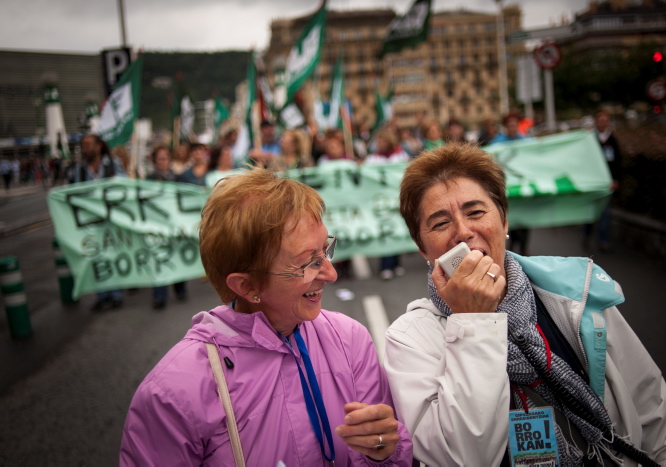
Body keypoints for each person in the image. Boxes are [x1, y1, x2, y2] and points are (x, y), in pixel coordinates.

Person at [383, 143, 666, 466]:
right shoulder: (409, 339)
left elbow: (655, 421)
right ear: (423, 249)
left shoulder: (578, 293)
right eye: (440, 223)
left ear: (504, 222)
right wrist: (473, 320)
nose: (463, 232)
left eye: (476, 212)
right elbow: (463, 456)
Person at [120, 168, 412, 466]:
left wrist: (385, 451)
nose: (331, 273)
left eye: (326, 250)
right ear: (247, 286)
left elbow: (384, 453)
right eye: (309, 263)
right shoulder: (172, 393)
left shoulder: (349, 340)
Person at [72, 134, 126, 311]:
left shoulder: (113, 164)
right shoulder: (80, 169)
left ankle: (116, 295)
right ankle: (102, 296)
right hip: (90, 223)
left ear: (99, 146)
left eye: (88, 144)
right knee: (95, 258)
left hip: (111, 221)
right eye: (83, 145)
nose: (85, 148)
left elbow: (125, 186)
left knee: (112, 255)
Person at [365, 127, 411, 280]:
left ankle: (395, 263)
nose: (379, 143)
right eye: (378, 140)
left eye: (382, 140)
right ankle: (385, 266)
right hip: (380, 202)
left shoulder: (400, 156)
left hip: (395, 200)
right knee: (384, 231)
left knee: (396, 230)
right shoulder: (373, 159)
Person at [145, 145, 187, 310]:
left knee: (176, 256)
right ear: (155, 161)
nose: (163, 161)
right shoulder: (149, 180)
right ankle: (159, 296)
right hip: (157, 226)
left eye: (166, 158)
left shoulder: (178, 178)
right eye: (160, 158)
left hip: (175, 225)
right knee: (160, 260)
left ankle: (180, 289)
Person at [492, 111, 531, 255]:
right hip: (507, 187)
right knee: (512, 216)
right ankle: (514, 243)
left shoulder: (526, 141)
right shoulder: (497, 143)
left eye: (515, 124)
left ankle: (523, 247)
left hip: (523, 185)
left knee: (526, 216)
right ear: (505, 126)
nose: (512, 127)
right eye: (510, 125)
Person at [583, 109, 622, 253]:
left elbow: (618, 162)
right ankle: (586, 235)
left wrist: (616, 180)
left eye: (605, 121)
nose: (603, 123)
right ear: (596, 122)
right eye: (600, 120)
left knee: (605, 214)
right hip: (593, 184)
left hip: (607, 185)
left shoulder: (612, 140)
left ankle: (603, 241)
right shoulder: (590, 139)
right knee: (590, 214)